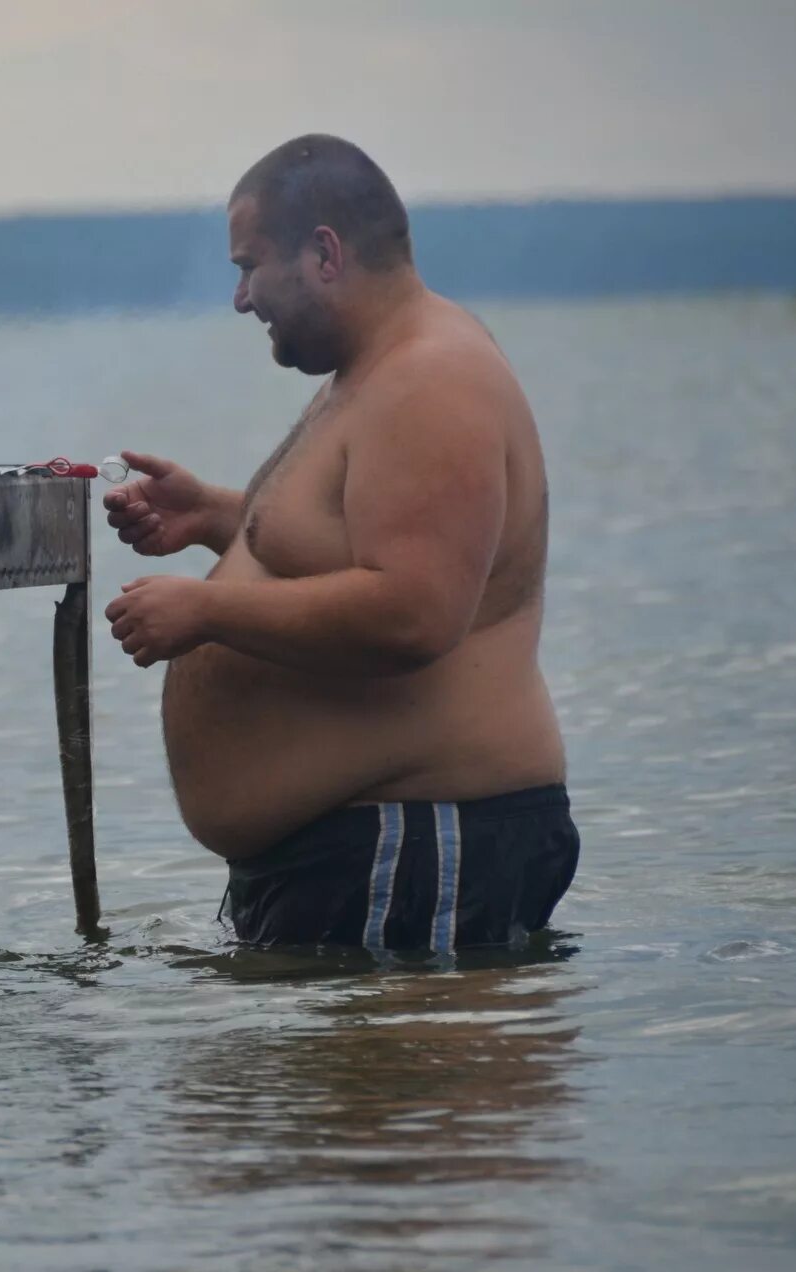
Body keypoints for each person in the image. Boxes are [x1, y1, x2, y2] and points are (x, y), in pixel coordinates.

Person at [103, 135, 577, 953]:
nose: (242, 298)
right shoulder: (377, 369)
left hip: (420, 842)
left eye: (249, 267)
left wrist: (209, 610)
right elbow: (357, 544)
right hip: (368, 848)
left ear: (324, 253)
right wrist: (217, 518)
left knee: (396, 1085)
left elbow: (414, 613)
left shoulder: (431, 379)